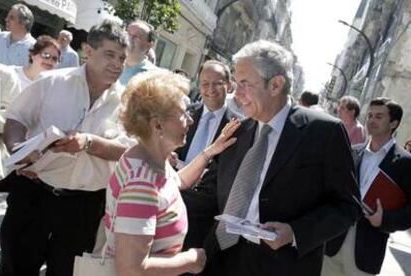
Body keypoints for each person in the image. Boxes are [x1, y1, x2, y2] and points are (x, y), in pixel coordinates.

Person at [182, 40, 360, 276]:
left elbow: (347, 207)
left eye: (245, 84)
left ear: (275, 85)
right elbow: (209, 195)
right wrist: (161, 195)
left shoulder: (324, 133)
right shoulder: (236, 131)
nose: (237, 93)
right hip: (222, 259)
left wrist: (295, 232)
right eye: (236, 83)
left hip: (282, 266)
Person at [0, 20, 130, 276]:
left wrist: (89, 142)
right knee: (15, 268)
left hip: (83, 208)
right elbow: (16, 118)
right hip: (33, 195)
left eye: (122, 58)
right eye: (110, 54)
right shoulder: (51, 82)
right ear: (87, 51)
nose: (117, 64)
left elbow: (129, 150)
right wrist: (19, 151)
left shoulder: (128, 102)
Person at [106, 70, 240, 275]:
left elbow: (176, 181)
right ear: (157, 124)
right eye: (183, 113)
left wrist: (211, 150)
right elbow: (131, 269)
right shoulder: (143, 182)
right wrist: (191, 260)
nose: (190, 120)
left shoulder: (149, 158)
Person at [324, 97, 411, 276]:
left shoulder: (405, 163)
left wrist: (384, 220)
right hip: (333, 242)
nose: (371, 120)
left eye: (379, 116)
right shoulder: (352, 151)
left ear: (394, 123)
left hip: (366, 250)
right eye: (370, 115)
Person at [176, 60, 239, 169]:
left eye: (218, 83)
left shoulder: (237, 127)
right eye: (205, 83)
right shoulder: (183, 114)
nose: (211, 89)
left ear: (229, 85)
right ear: (199, 86)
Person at [119, 20, 157, 85]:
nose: (129, 38)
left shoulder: (153, 76)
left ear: (148, 45)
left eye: (136, 36)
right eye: (128, 33)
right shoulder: (110, 64)